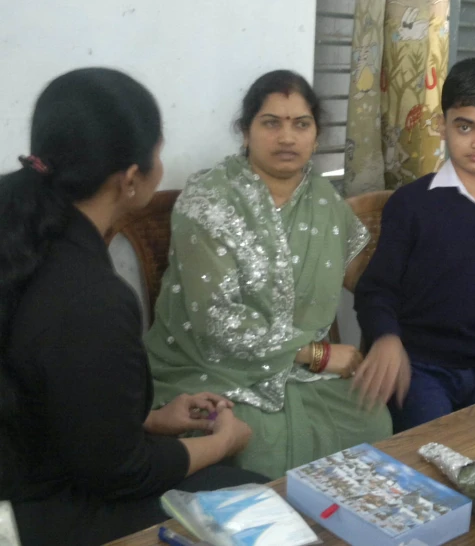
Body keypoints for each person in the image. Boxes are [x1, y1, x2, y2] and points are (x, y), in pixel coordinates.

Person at [0, 69, 263, 546]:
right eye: (158, 155)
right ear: (131, 179)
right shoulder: (91, 299)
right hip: (31, 513)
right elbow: (121, 473)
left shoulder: (22, 231)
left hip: (31, 462)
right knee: (254, 496)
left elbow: (44, 387)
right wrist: (220, 443)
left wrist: (149, 419)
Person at [145, 70, 392, 480]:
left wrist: (389, 333)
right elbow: (214, 317)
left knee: (373, 419)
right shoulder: (209, 199)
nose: (287, 137)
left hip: (295, 371)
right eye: (271, 123)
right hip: (209, 365)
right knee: (256, 442)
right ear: (245, 132)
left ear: (315, 134)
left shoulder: (325, 203)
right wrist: (321, 355)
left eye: (301, 124)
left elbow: (359, 278)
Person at [353, 57, 475, 433]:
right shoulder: (412, 204)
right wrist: (386, 337)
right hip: (418, 367)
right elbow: (376, 289)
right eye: (465, 126)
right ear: (442, 125)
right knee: (434, 442)